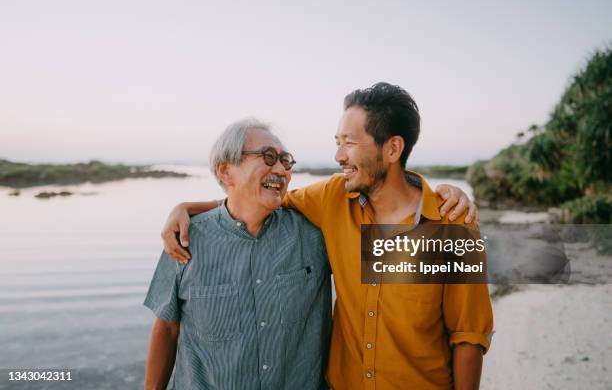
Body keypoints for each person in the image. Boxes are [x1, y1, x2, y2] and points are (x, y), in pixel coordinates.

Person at [162, 83, 493, 389]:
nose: (338, 157)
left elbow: (467, 337)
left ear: (392, 149)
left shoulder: (452, 226)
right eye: (338, 143)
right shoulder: (333, 198)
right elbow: (259, 200)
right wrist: (190, 207)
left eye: (349, 143)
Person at [144, 120, 332, 390]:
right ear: (225, 172)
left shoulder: (314, 236)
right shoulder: (185, 238)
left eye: (285, 160)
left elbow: (385, 263)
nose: (280, 169)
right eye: (268, 157)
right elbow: (167, 328)